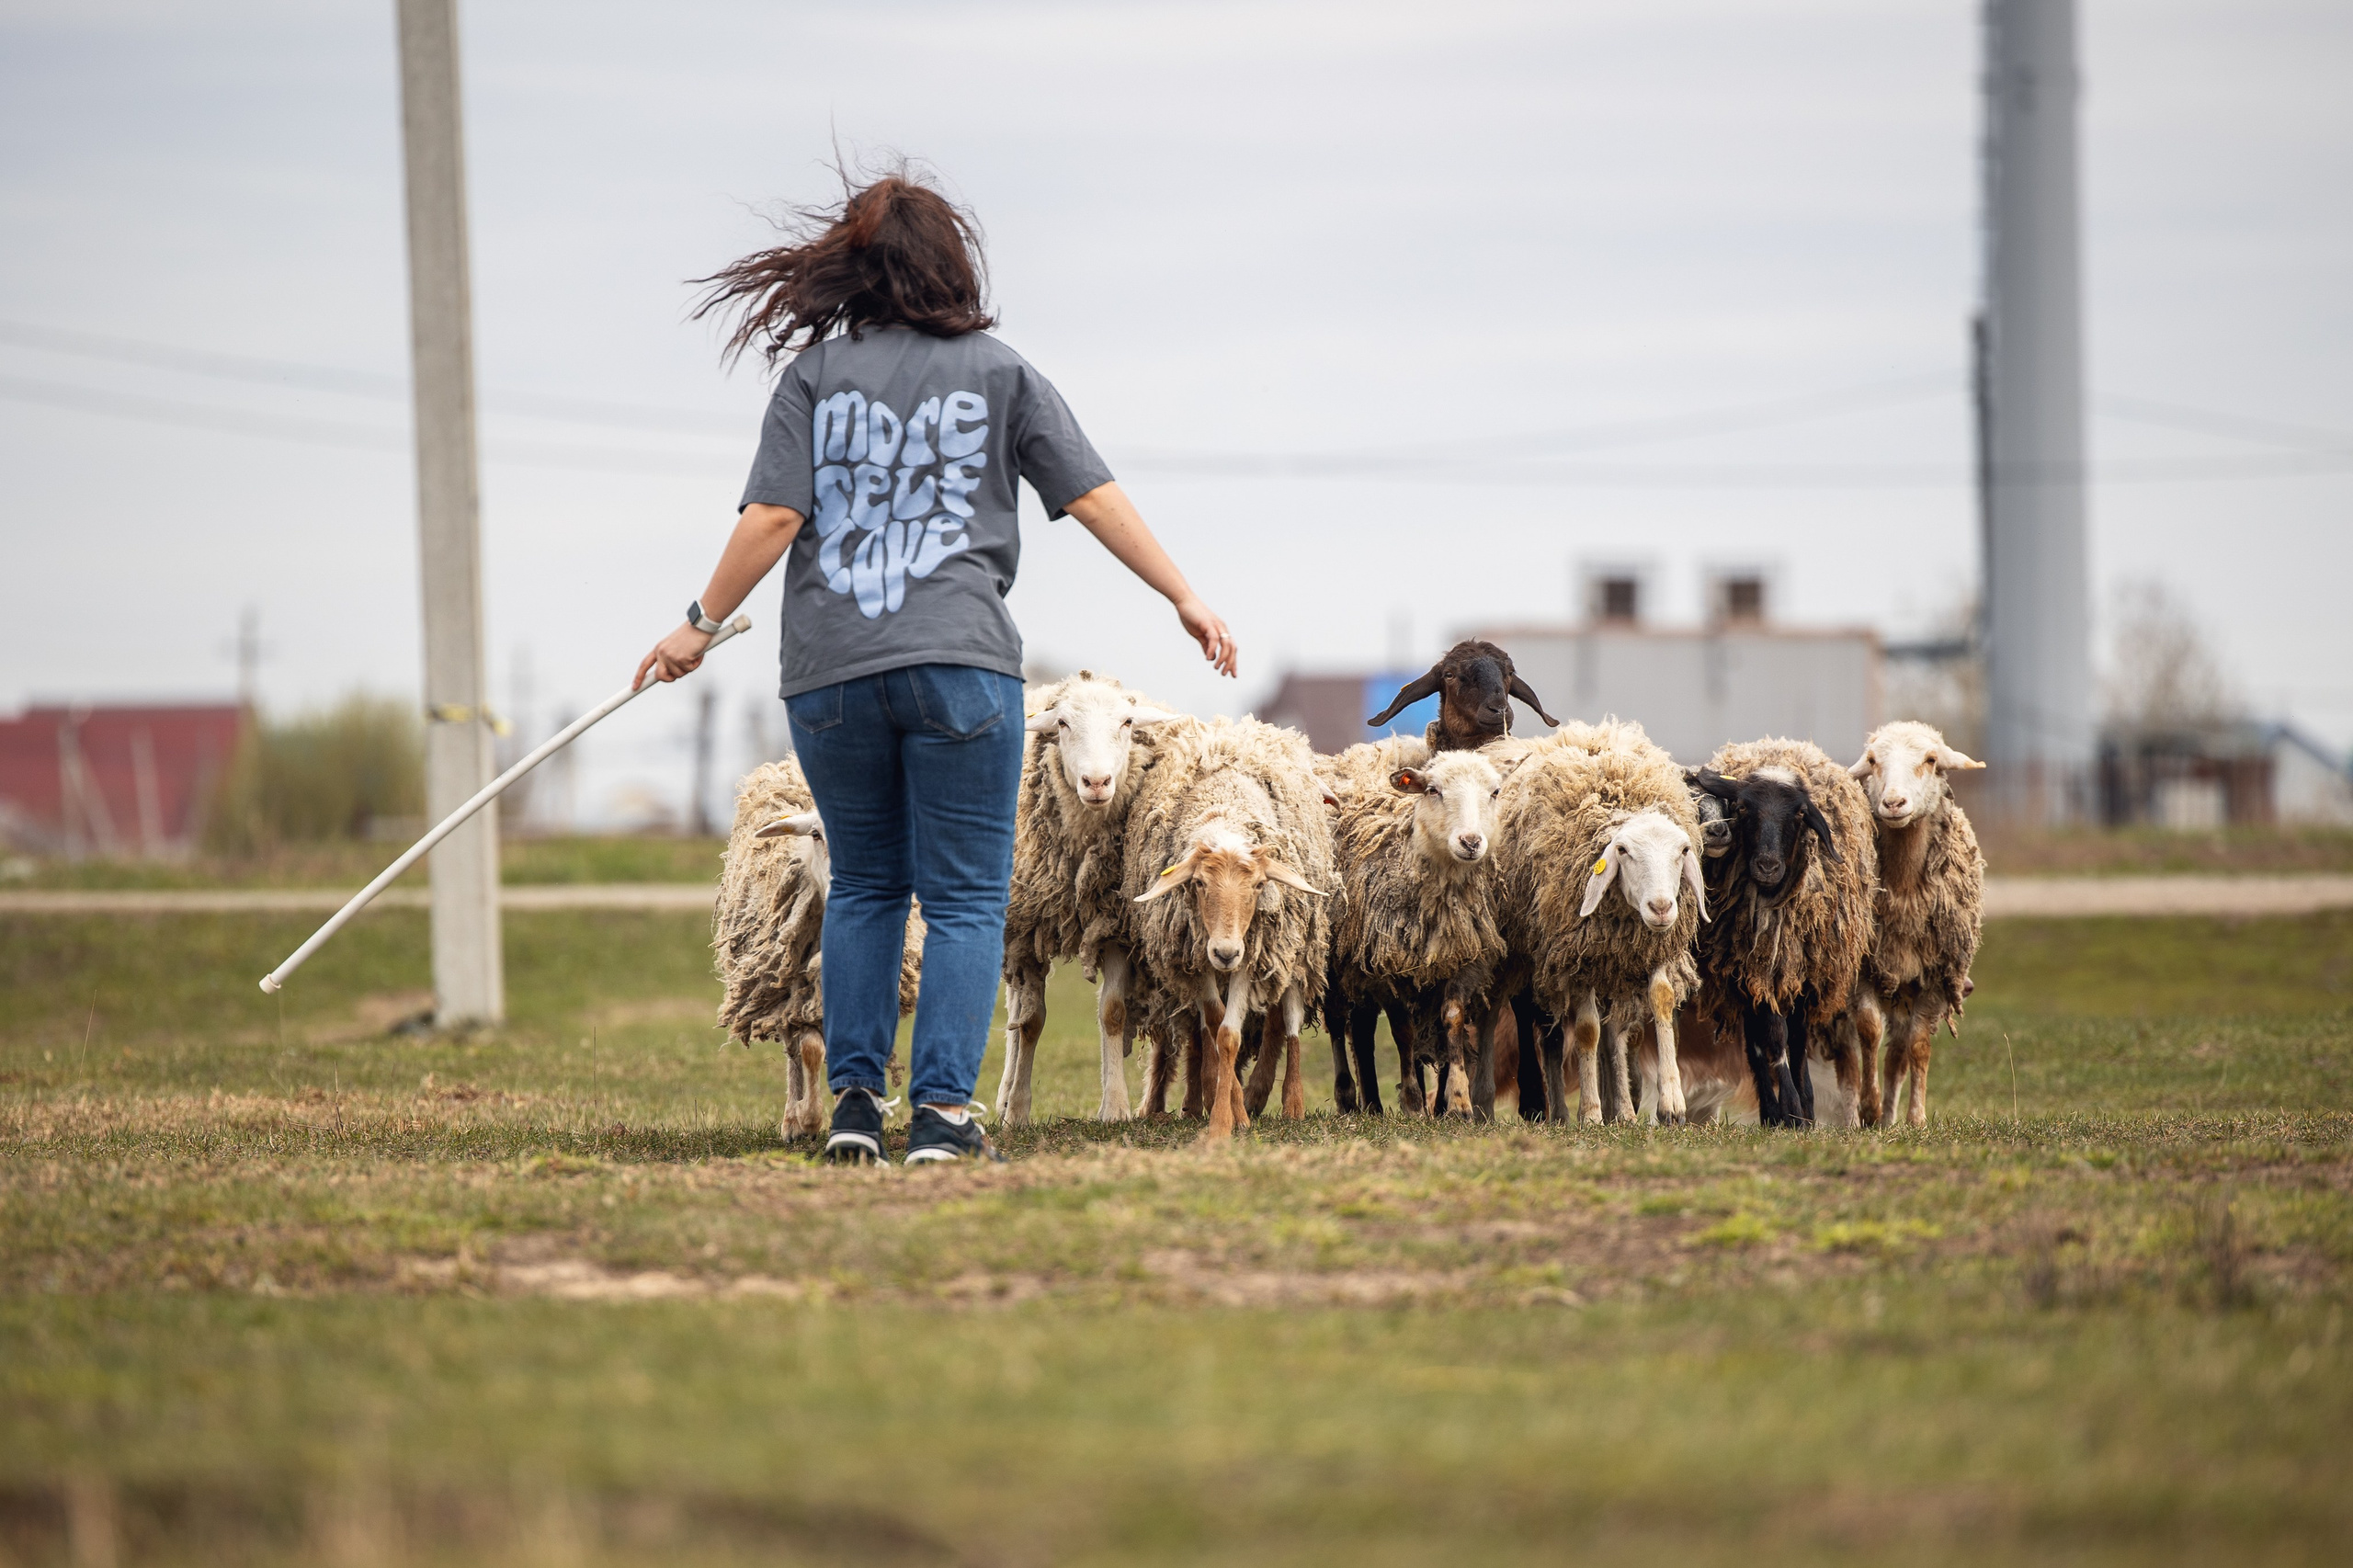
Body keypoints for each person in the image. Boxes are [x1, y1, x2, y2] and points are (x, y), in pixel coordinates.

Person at [637, 170, 1234, 1165]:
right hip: (960, 666)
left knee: (866, 885)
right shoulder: (1001, 372)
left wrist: (698, 622)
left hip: (830, 673)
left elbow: (774, 518)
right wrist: (1183, 594)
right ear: (951, 264)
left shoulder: (814, 378)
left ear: (855, 269)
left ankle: (857, 1109)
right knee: (963, 900)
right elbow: (1089, 495)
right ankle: (945, 1117)